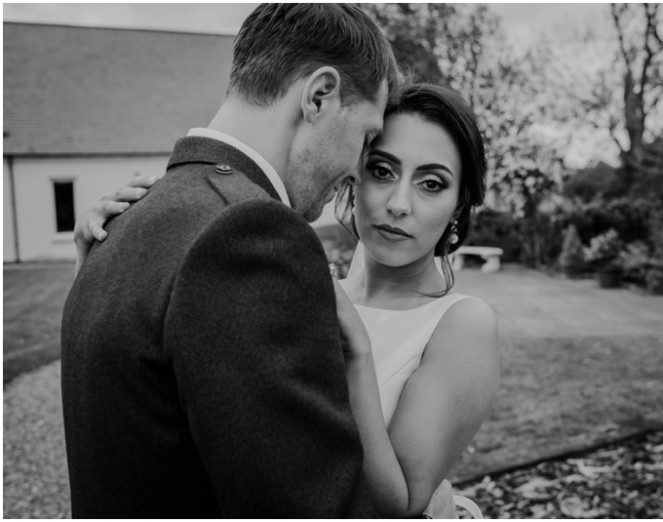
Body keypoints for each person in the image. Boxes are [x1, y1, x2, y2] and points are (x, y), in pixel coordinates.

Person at [76, 83, 501, 518]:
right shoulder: (300, 281)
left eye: (431, 183)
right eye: (382, 171)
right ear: (353, 174)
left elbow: (398, 506)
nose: (398, 203)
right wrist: (109, 258)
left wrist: (358, 358)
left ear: (458, 205)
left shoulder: (462, 325)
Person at [60, 4, 399, 518]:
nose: (357, 169)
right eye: (367, 137)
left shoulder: (125, 221)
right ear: (320, 95)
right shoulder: (251, 233)